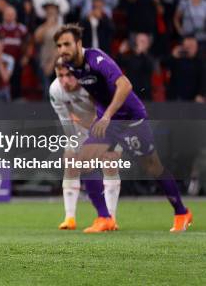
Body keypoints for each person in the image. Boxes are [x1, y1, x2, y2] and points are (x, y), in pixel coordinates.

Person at [55, 24, 193, 232]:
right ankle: (104, 218)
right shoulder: (73, 67)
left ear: (78, 44)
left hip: (130, 119)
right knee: (82, 161)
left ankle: (182, 212)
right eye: (59, 45)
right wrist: (100, 115)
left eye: (67, 44)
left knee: (153, 167)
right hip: (107, 120)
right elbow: (96, 90)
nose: (62, 49)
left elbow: (125, 85)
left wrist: (108, 115)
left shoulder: (96, 59)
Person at [50, 61, 121, 231]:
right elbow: (65, 120)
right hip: (80, 128)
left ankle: (111, 217)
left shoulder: (92, 84)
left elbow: (108, 109)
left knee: (110, 162)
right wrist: (75, 145)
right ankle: (69, 218)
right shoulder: (55, 90)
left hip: (106, 125)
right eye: (60, 76)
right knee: (70, 161)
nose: (65, 80)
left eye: (69, 75)